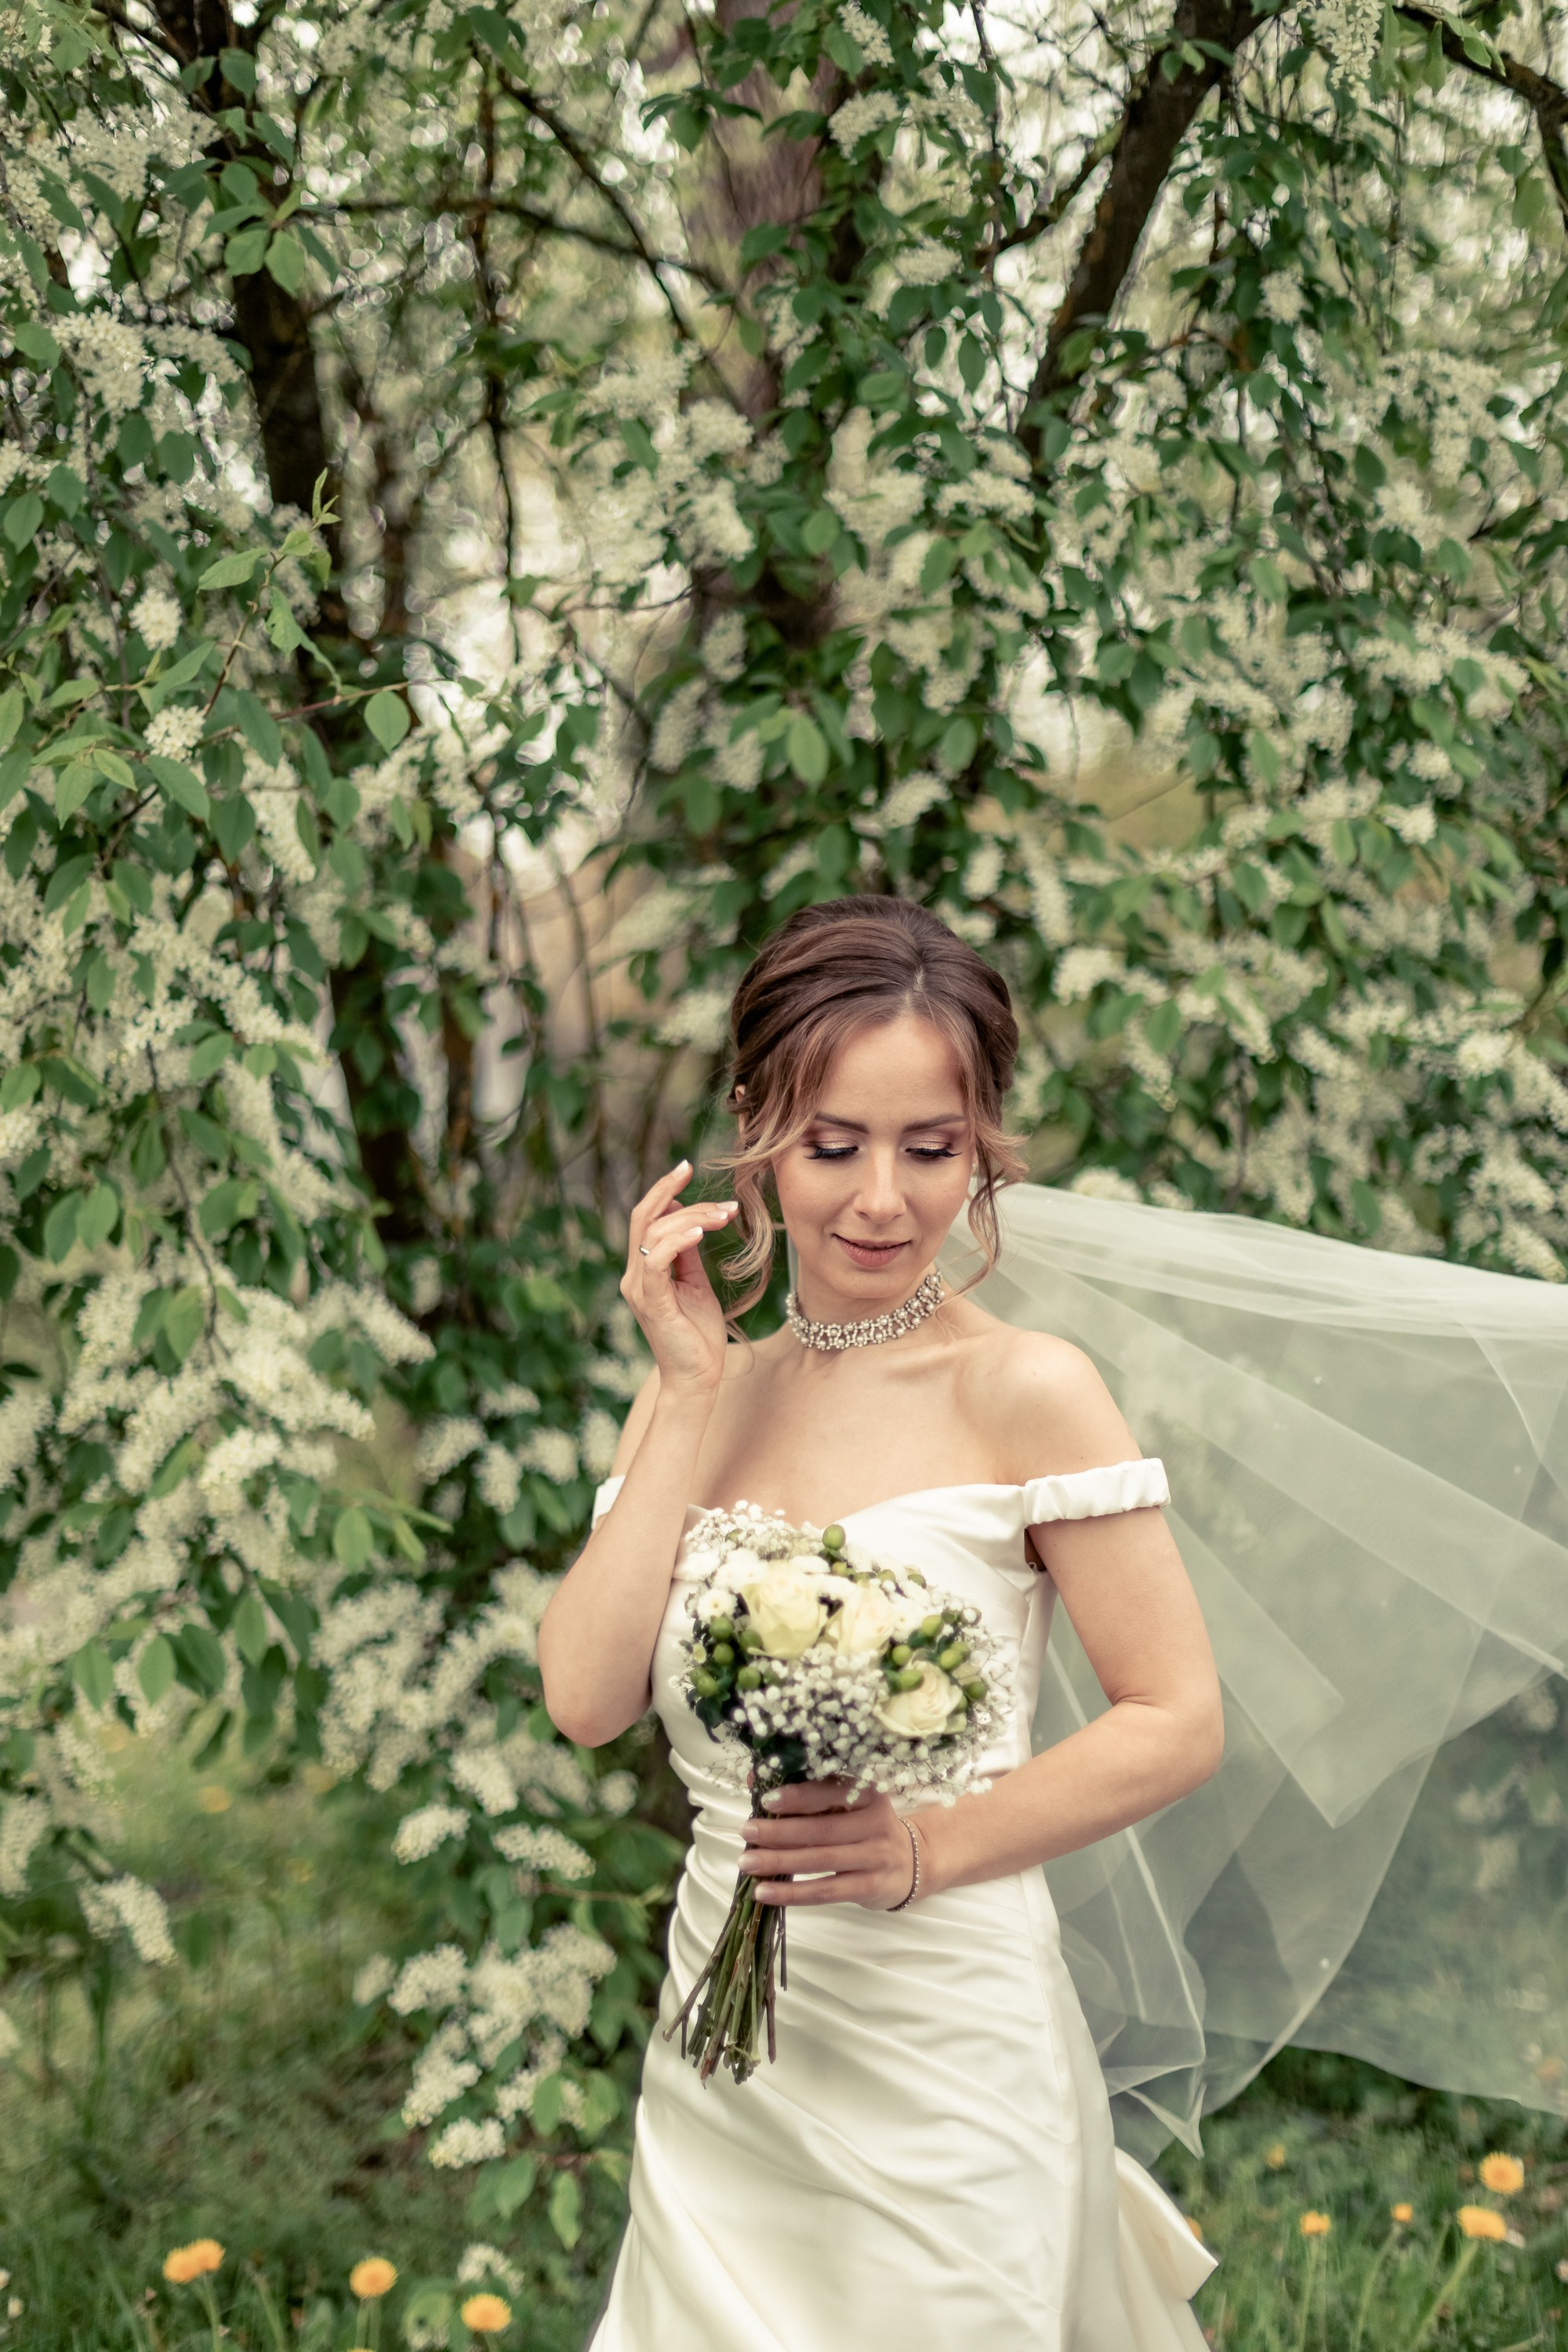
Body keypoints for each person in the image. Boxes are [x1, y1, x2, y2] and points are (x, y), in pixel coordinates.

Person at [539, 895, 1227, 2350]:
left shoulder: (1029, 1388)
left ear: (984, 1148)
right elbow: (588, 1698)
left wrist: (920, 1849)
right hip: (731, 2061)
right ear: (758, 1132)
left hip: (949, 2053)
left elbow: (1177, 1721)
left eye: (934, 1150)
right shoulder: (703, 1391)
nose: (882, 1200)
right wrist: (684, 1391)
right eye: (835, 1144)